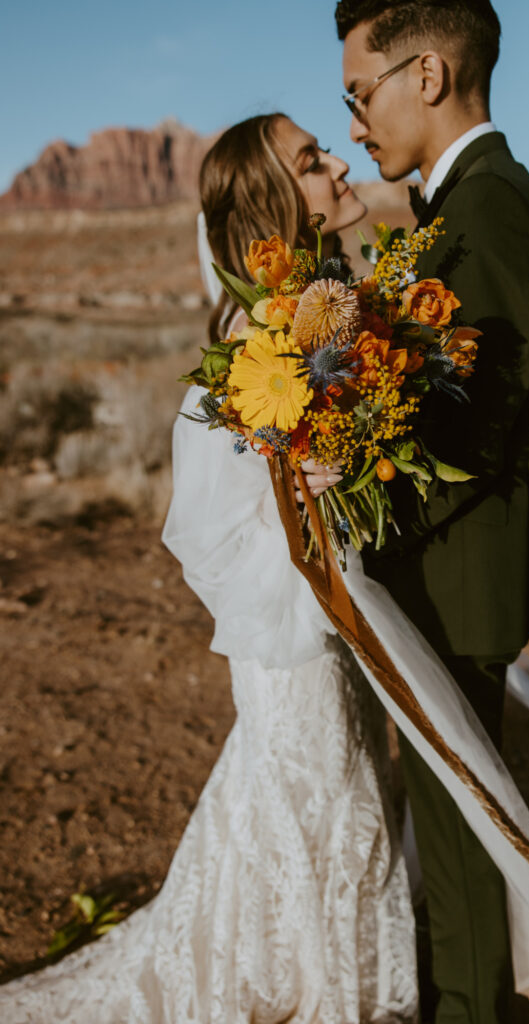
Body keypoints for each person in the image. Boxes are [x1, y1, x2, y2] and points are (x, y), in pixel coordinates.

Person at [0, 114, 419, 1024]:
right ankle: (316, 983)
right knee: (312, 784)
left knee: (319, 783)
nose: (338, 163)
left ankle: (313, 968)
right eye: (313, 161)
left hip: (325, 612)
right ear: (274, 200)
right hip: (293, 627)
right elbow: (216, 514)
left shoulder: (312, 307)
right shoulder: (255, 341)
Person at [331, 2, 529, 1022]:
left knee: (461, 822)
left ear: (424, 75)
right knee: (452, 812)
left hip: (453, 574)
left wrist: (345, 496)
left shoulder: (487, 210)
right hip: (450, 565)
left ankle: (469, 1006)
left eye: (359, 95)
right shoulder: (457, 206)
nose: (353, 126)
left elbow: (469, 427)